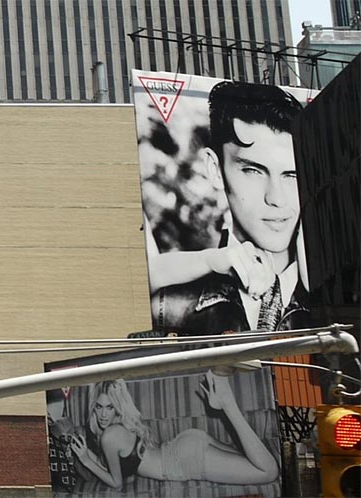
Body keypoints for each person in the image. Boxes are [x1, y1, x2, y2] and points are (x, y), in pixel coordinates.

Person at [144, 81, 310, 335]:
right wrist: (209, 260)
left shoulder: (335, 295)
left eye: (292, 175)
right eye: (253, 171)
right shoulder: (170, 303)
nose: (276, 198)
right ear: (215, 169)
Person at [70, 375, 278, 490]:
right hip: (185, 443)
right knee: (255, 462)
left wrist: (87, 460)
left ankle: (227, 403)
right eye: (99, 407)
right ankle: (223, 403)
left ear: (117, 407)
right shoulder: (120, 425)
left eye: (109, 407)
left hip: (182, 461)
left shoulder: (109, 436)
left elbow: (116, 483)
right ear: (93, 407)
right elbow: (127, 472)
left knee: (268, 472)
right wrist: (90, 457)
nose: (103, 414)